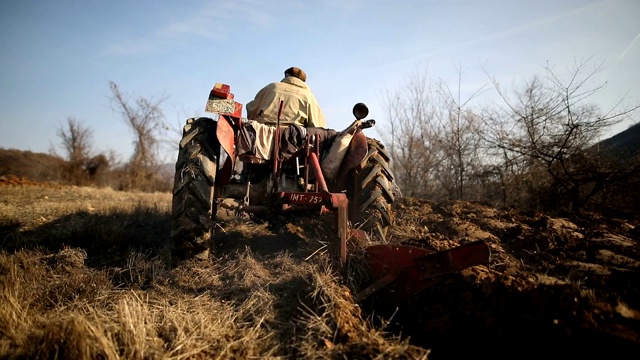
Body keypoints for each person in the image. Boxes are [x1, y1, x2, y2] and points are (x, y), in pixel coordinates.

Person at [245, 67, 326, 128]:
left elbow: (251, 111)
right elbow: (318, 126)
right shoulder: (308, 96)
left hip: (261, 136)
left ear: (286, 76)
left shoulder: (272, 87)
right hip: (292, 142)